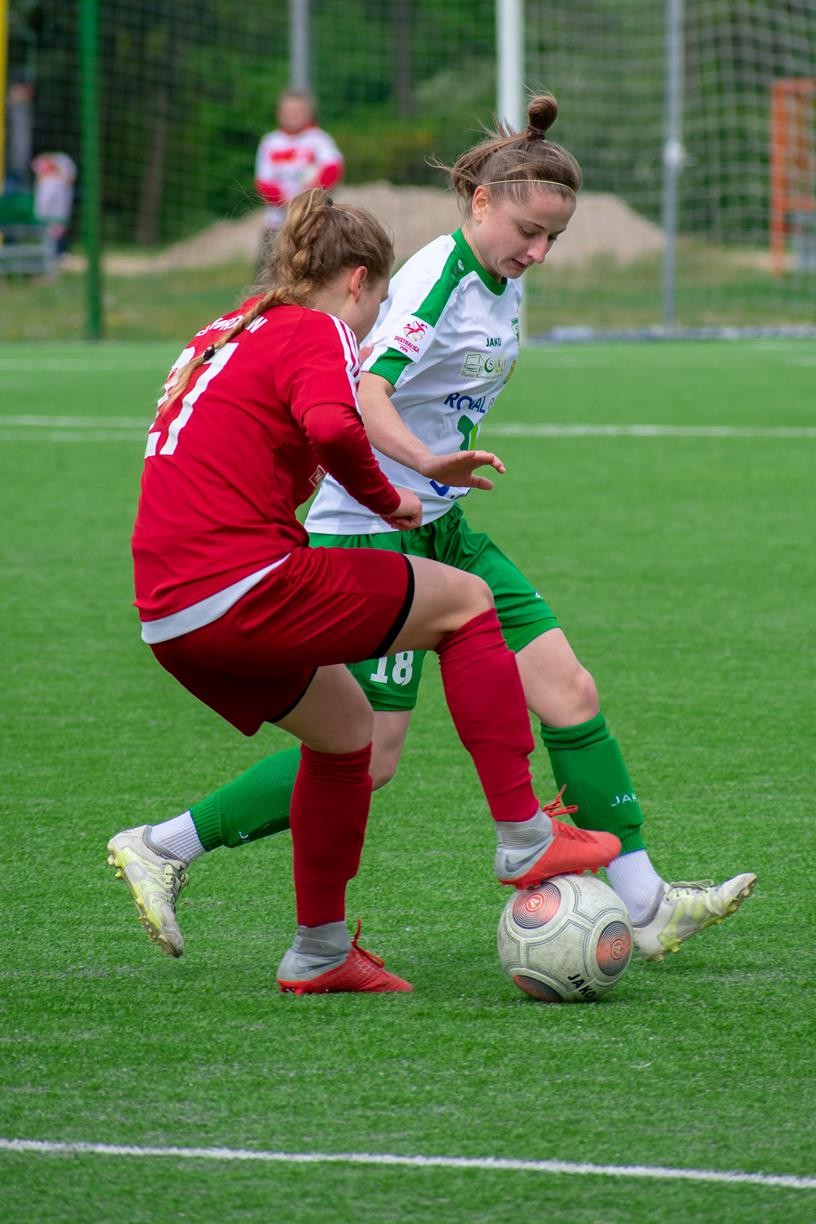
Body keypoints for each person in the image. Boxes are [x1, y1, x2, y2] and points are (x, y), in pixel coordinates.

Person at [110, 95, 756, 966]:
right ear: (480, 203)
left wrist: (434, 482)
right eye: (528, 230)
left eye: (554, 238)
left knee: (570, 691)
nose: (538, 251)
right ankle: (172, 842)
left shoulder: (504, 282)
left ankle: (645, 905)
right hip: (372, 527)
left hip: (443, 525)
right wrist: (416, 471)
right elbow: (363, 392)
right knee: (368, 753)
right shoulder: (429, 279)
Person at [108, 186, 619, 994]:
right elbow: (333, 424)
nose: (375, 320)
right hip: (243, 583)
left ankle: (318, 951)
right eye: (378, 302)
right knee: (466, 604)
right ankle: (524, 834)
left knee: (349, 735)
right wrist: (393, 498)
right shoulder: (315, 328)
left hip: (170, 614)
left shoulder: (229, 328)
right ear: (357, 281)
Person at [253, 88, 343, 269]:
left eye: (298, 111)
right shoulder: (270, 142)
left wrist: (308, 197)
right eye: (288, 111)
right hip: (278, 223)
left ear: (309, 113)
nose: (292, 116)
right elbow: (263, 182)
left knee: (316, 271)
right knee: (269, 273)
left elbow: (332, 170)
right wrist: (287, 203)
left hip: (313, 222)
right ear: (279, 113)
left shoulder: (319, 140)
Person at [31, 152, 77, 256]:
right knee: (47, 231)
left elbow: (69, 179)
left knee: (58, 229)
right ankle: (48, 253)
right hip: (47, 212)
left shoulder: (63, 166)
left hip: (57, 211)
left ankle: (59, 252)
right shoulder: (45, 182)